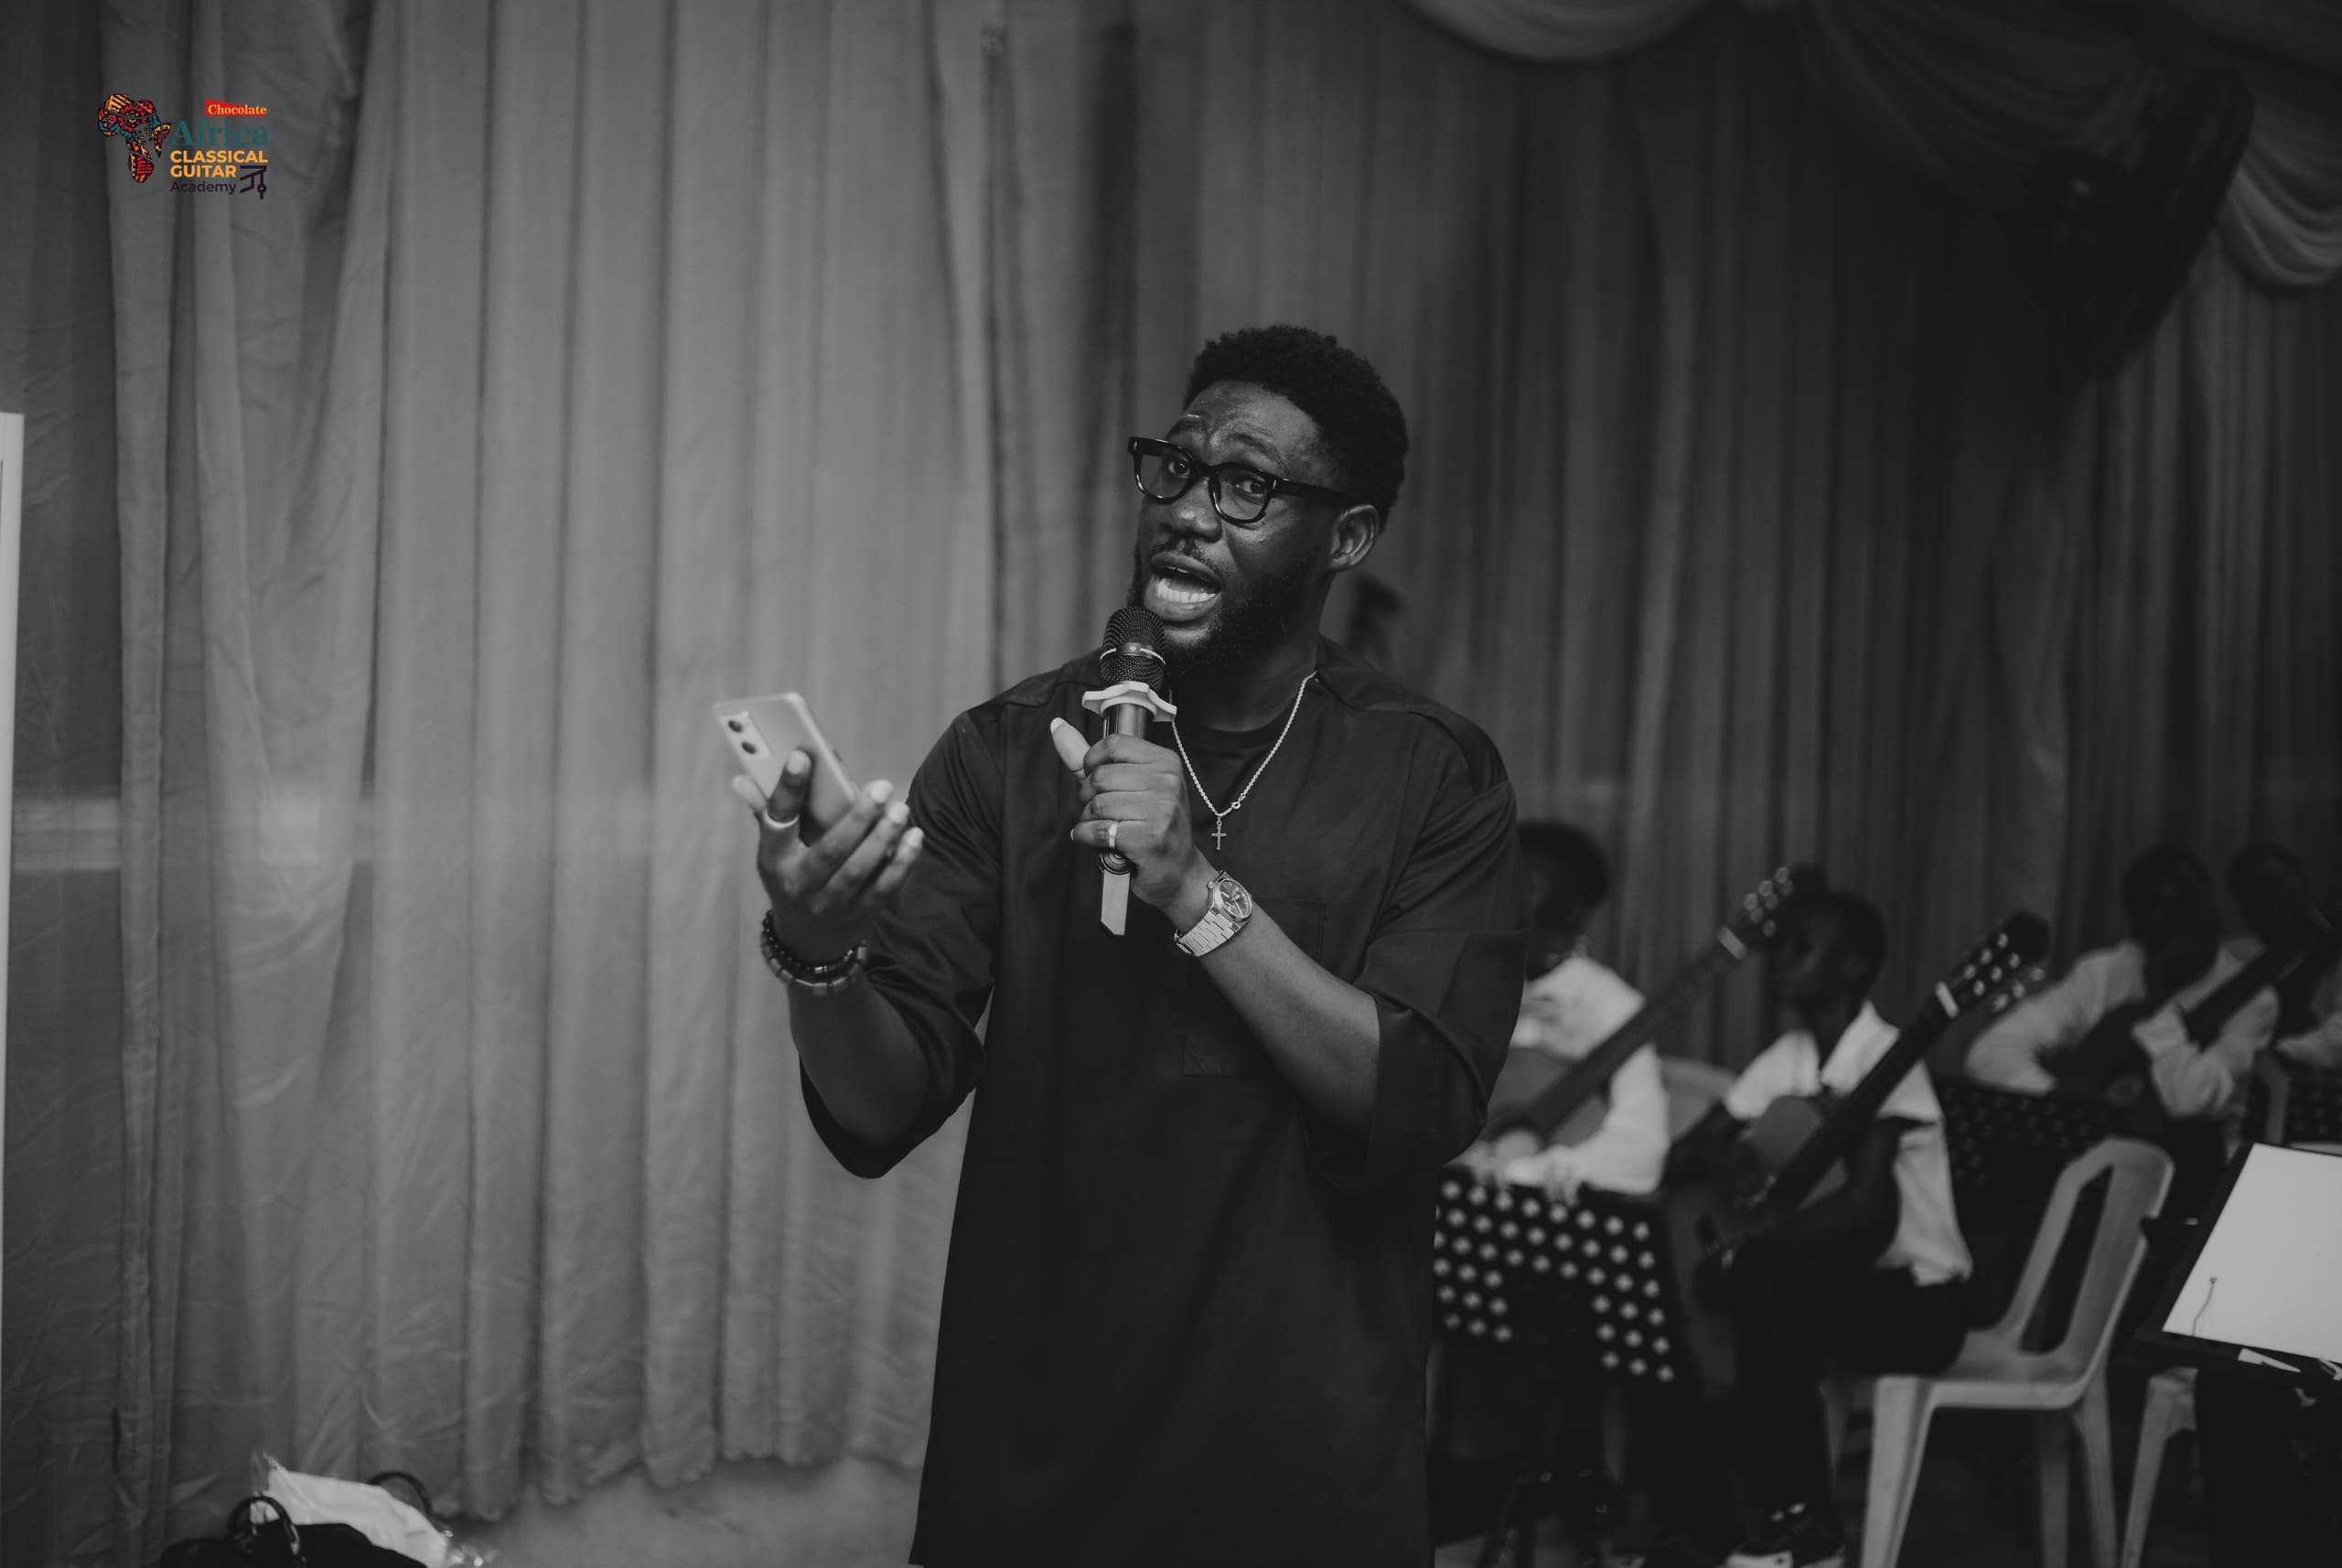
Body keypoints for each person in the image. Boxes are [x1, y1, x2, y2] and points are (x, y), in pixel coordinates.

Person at [738, 325, 1528, 1567]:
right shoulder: (1008, 749)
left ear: (1348, 537)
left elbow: (1419, 1099)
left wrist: (1195, 890)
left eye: (1247, 484)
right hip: (1032, 1451)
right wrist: (817, 950)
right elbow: (880, 1106)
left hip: (1296, 1457)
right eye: (1177, 465)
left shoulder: (1431, 774)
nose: (1189, 511)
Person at [1659, 891, 1972, 1568]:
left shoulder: (1889, 1056)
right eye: (1777, 948)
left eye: (1798, 949)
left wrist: (1749, 1249)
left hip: (1918, 1300)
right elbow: (1686, 1154)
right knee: (1724, 1292)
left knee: (1764, 1284)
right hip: (1831, 1285)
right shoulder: (1789, 1057)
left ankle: (1808, 1529)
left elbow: (1866, 1211)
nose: (1776, 963)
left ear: (1851, 966)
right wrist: (1739, 1160)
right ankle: (1733, 1517)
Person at [1964, 845, 2276, 1136]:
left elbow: (2191, 1100)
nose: (2176, 932)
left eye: (2186, 912)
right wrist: (2063, 1108)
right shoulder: (2103, 972)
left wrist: (2158, 1008)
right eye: (2157, 920)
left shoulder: (2254, 1002)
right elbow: (1990, 1051)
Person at [1463, 821, 1669, 1201]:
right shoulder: (1459, 984)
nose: (1504, 898)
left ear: (1575, 910)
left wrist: (1520, 1171)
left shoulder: (1613, 1006)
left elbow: (1642, 1151)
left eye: (1529, 885)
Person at [2226, 843, 2342, 1072]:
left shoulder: (2333, 946)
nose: (2268, 895)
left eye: (2275, 882)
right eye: (2255, 887)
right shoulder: (2230, 955)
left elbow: (2334, 1041)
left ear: (2302, 880)